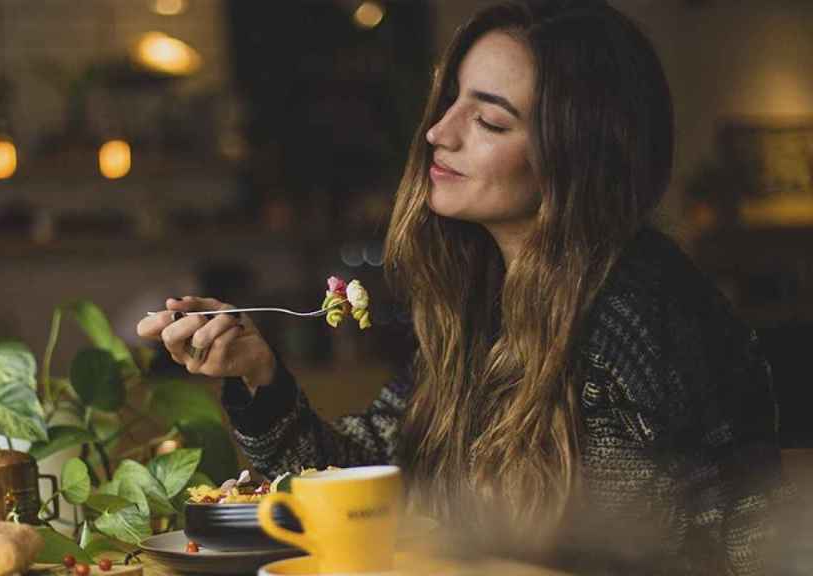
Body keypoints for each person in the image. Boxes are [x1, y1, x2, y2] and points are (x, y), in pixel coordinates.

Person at [137, 0, 789, 573]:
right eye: (453, 100)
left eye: (490, 121)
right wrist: (257, 375)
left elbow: (644, 550)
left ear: (577, 159)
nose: (437, 133)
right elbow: (372, 473)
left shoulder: (631, 311)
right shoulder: (487, 300)